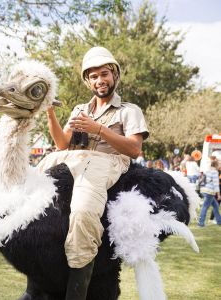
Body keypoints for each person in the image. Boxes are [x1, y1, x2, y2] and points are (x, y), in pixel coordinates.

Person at [37, 46, 148, 299]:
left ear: (114, 75)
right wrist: (50, 112)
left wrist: (98, 129)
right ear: (88, 81)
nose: (100, 80)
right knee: (40, 173)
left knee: (83, 212)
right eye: (94, 76)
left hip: (106, 163)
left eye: (104, 74)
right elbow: (62, 145)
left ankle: (77, 290)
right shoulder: (79, 110)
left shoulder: (129, 110)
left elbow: (134, 149)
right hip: (74, 158)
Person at [197, 160, 221, 226]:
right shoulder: (215, 172)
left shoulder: (208, 171)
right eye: (219, 164)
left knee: (216, 206)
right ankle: (200, 223)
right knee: (205, 207)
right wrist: (218, 195)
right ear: (216, 165)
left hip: (204, 190)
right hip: (209, 191)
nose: (220, 165)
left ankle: (219, 221)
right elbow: (216, 184)